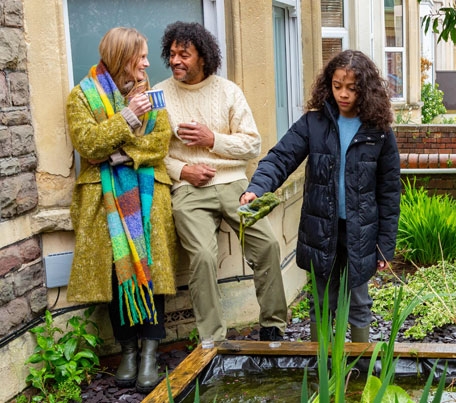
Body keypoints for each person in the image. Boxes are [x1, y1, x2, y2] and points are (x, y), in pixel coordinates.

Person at [240, 50, 401, 342]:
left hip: (361, 234)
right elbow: (281, 158)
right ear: (329, 84)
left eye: (352, 88)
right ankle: (322, 371)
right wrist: (257, 188)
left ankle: (361, 372)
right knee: (321, 302)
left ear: (365, 89)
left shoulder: (379, 132)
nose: (343, 94)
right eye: (337, 86)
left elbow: (389, 193)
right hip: (321, 230)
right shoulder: (314, 124)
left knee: (359, 303)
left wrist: (385, 246)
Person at [155, 21, 287, 343]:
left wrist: (212, 139)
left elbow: (252, 145)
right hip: (188, 189)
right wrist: (183, 172)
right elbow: (153, 154)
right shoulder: (158, 95)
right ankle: (212, 340)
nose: (175, 61)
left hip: (233, 185)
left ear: (203, 56)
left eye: (183, 54)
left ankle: (273, 326)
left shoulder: (228, 91)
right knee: (201, 256)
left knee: (267, 244)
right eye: (171, 54)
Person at [65, 27, 176, 392]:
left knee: (150, 267)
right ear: (123, 57)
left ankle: (150, 352)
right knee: (119, 271)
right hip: (105, 201)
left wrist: (117, 153)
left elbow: (158, 144)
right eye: (141, 56)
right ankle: (128, 350)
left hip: (147, 195)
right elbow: (88, 145)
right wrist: (128, 117)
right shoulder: (81, 96)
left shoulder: (154, 95)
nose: (147, 63)